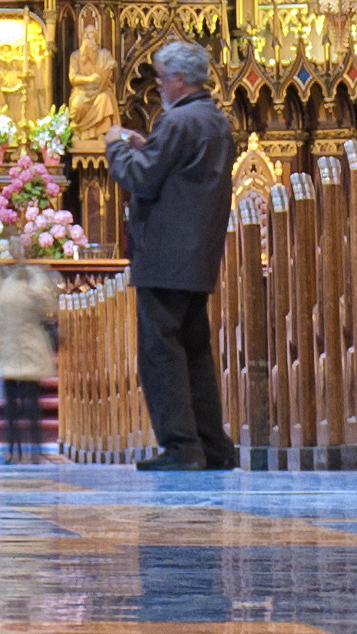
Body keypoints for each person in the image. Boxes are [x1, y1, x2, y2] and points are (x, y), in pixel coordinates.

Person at [102, 36, 239, 471]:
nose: (159, 85)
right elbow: (180, 169)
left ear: (179, 78)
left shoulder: (178, 122)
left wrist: (116, 145)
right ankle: (211, 445)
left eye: (162, 77)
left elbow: (141, 179)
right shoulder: (213, 119)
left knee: (161, 354)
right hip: (196, 254)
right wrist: (150, 147)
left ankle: (181, 447)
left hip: (164, 256)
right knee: (194, 350)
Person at [0, 249, 61, 463]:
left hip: (28, 350)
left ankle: (33, 449)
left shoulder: (33, 278)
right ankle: (13, 448)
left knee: (31, 404)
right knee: (11, 405)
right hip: (8, 350)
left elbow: (49, 307)